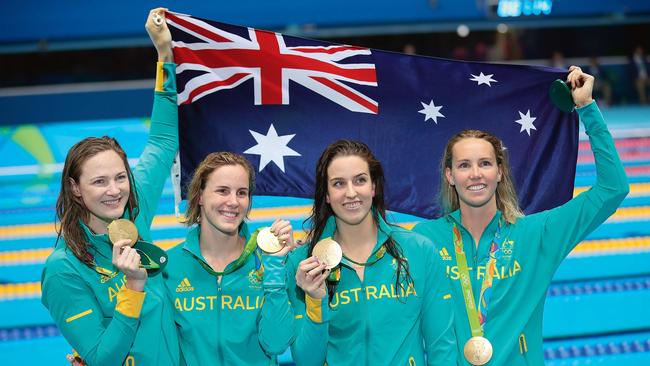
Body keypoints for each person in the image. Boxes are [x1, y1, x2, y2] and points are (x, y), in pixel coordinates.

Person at [412, 66, 629, 365]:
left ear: (499, 171)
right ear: (450, 175)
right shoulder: (423, 241)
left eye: (485, 163)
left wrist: (587, 108)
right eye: (464, 165)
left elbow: (612, 188)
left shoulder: (537, 234)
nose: (475, 174)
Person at [41, 9, 180, 365]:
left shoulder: (134, 207)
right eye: (99, 181)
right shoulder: (64, 270)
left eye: (119, 177)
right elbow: (102, 359)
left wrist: (165, 56)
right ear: (75, 189)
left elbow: (163, 140)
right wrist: (133, 288)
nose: (114, 190)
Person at [286, 140, 457, 365]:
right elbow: (307, 360)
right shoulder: (304, 264)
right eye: (338, 183)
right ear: (326, 194)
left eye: (360, 180)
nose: (351, 192)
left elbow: (441, 346)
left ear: (373, 187)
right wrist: (316, 300)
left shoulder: (419, 250)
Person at [163, 152, 296, 365]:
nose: (233, 202)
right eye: (222, 191)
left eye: (242, 193)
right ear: (200, 196)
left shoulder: (268, 262)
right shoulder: (169, 267)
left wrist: (275, 272)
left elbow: (277, 344)